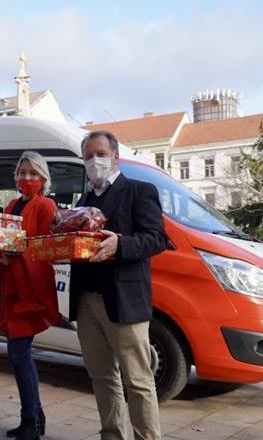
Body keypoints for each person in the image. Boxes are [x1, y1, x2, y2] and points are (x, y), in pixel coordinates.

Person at [69, 131, 167, 440]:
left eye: (100, 154)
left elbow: (157, 238)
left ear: (115, 156)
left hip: (124, 301)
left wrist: (121, 244)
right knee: (101, 377)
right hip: (86, 300)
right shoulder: (83, 201)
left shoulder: (139, 190)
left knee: (137, 380)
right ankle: (112, 435)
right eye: (87, 156)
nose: (94, 161)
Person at [0, 151, 60, 440]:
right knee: (17, 354)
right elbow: (2, 240)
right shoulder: (13, 204)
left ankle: (32, 419)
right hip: (10, 285)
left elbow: (45, 249)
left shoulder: (46, 205)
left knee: (19, 354)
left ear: (43, 177)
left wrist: (11, 259)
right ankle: (33, 416)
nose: (27, 178)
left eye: (33, 173)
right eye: (23, 173)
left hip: (29, 286)